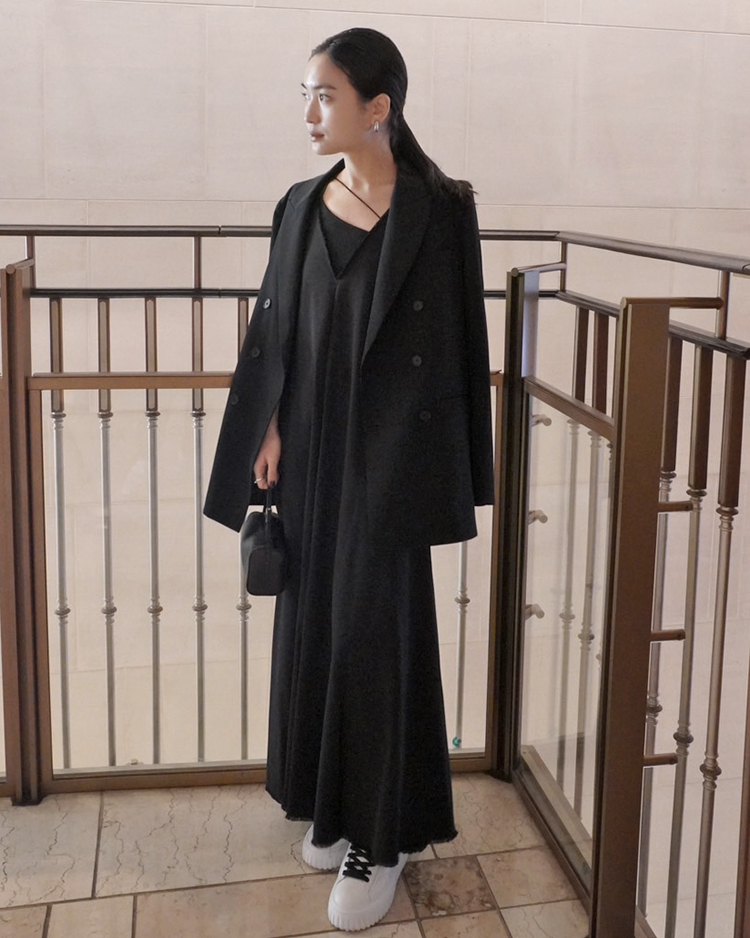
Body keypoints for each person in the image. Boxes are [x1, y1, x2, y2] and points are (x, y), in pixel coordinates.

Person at [204, 27, 494, 932]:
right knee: (318, 627)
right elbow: (275, 328)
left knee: (375, 639)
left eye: (324, 95)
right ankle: (331, 809)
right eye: (306, 93)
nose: (309, 112)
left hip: (394, 462)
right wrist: (268, 426)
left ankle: (382, 835)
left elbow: (464, 341)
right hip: (311, 455)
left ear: (379, 107)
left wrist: (458, 470)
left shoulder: (441, 208)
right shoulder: (300, 205)